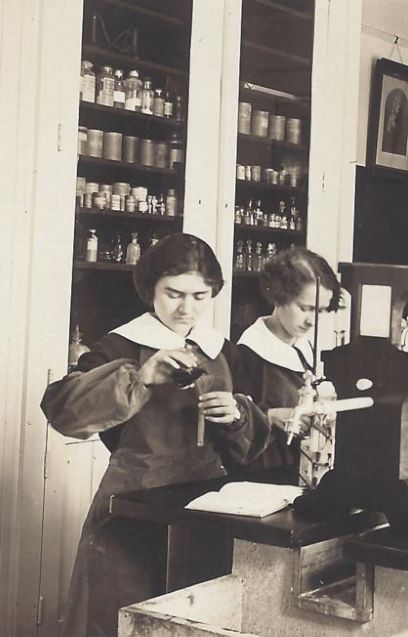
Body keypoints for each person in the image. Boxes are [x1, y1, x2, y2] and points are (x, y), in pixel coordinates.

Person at [40, 233, 269, 637]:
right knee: (119, 614)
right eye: (173, 294)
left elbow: (249, 447)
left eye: (200, 296)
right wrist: (140, 377)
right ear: (150, 290)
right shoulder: (116, 347)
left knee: (200, 614)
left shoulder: (221, 350)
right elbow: (64, 414)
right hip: (133, 502)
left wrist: (236, 416)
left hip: (205, 505)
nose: (186, 309)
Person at [232, 247, 342, 474]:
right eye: (305, 308)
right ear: (278, 296)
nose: (312, 321)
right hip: (267, 474)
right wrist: (269, 418)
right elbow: (235, 433)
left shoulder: (305, 347)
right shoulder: (247, 354)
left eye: (320, 311)